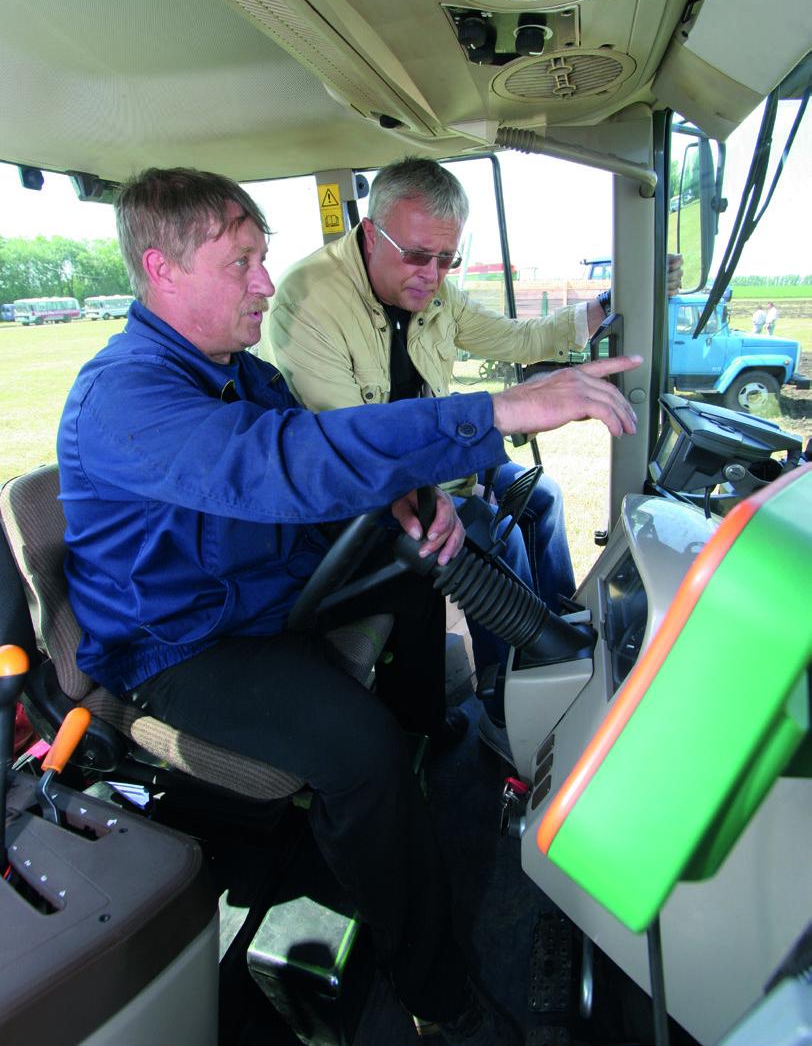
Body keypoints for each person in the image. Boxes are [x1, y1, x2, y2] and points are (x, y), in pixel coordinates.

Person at [58, 167, 640, 1046]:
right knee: (358, 751)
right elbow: (283, 462)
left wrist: (413, 496)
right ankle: (439, 998)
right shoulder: (127, 396)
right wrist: (498, 407)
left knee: (435, 558)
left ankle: (453, 747)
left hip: (265, 599)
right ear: (163, 269)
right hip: (181, 647)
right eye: (242, 262)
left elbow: (320, 466)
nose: (265, 281)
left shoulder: (236, 375)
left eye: (264, 257)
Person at [262, 157, 679, 759]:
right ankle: (505, 702)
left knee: (541, 497)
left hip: (436, 464)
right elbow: (348, 443)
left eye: (447, 259)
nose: (433, 276)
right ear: (371, 233)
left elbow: (519, 339)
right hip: (360, 494)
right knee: (489, 535)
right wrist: (447, 500)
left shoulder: (434, 286)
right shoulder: (310, 301)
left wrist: (609, 303)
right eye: (417, 256)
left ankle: (562, 641)